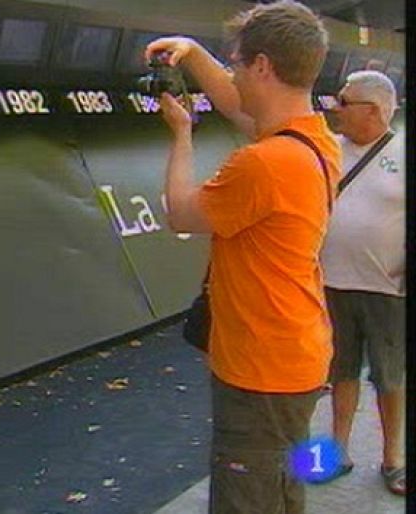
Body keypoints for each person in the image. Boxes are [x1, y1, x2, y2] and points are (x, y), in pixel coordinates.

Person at [145, 1, 339, 512]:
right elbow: (239, 105)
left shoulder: (265, 163)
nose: (232, 74)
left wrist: (181, 135)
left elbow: (182, 214)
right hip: (295, 357)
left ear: (262, 67)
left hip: (260, 374)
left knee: (245, 497)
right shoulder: (314, 141)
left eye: (235, 64)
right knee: (281, 484)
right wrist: (192, 56)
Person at [320, 70, 405, 495]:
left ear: (372, 111)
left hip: (387, 291)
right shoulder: (329, 149)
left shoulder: (404, 153)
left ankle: (394, 458)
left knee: (389, 377)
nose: (335, 107)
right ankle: (337, 450)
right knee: (342, 370)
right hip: (333, 285)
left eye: (344, 101)